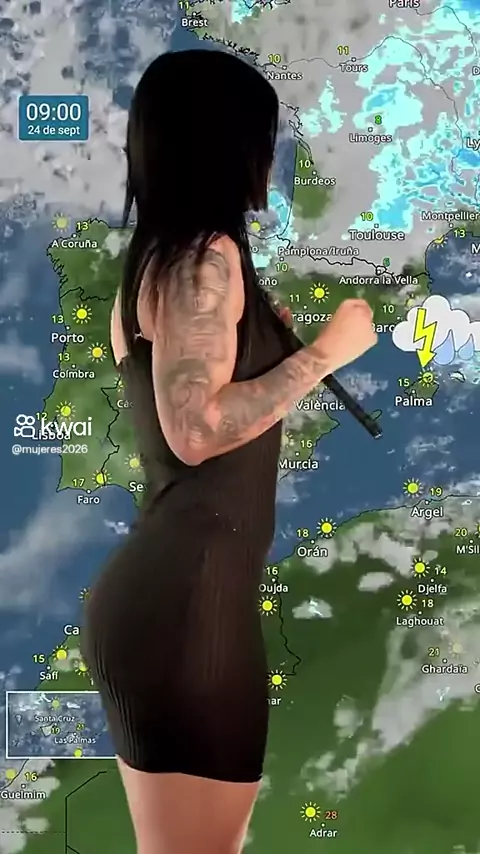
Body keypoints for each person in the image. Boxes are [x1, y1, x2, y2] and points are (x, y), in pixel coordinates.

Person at [81, 48, 377, 854]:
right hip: (190, 606)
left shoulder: (162, 262)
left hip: (173, 599)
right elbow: (196, 432)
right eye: (261, 138)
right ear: (226, 146)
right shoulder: (201, 261)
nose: (268, 158)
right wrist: (327, 353)